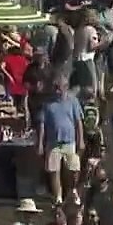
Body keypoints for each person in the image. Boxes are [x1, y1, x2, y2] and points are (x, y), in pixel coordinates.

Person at [38, 77, 84, 205]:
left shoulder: (73, 102)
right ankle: (58, 196)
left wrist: (81, 139)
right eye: (55, 88)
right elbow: (42, 124)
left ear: (66, 87)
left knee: (74, 168)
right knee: (54, 170)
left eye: (59, 88)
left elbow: (78, 122)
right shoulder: (47, 104)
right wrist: (41, 143)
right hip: (53, 142)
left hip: (70, 141)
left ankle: (73, 190)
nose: (57, 91)